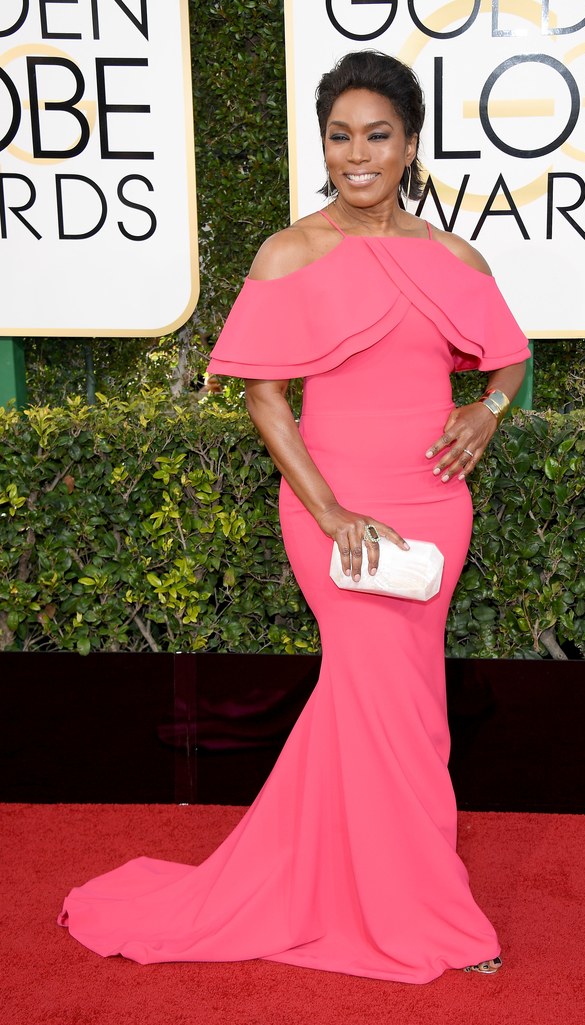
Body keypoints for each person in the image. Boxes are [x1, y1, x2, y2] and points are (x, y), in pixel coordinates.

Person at [58, 51, 530, 984]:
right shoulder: (290, 251)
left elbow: (508, 357)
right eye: (339, 135)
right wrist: (332, 510)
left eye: (377, 135)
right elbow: (265, 398)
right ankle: (432, 915)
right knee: (384, 700)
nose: (356, 154)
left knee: (408, 709)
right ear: (323, 144)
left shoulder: (452, 256)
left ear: (408, 144)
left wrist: (489, 408)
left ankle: (366, 881)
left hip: (433, 505)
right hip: (332, 509)